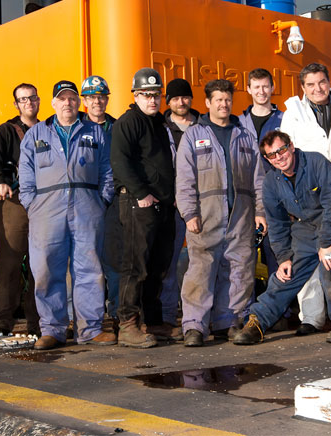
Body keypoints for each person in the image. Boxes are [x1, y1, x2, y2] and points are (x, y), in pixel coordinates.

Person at [233, 130, 331, 345]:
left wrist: (327, 243)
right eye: (272, 155)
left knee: (330, 268)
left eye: (282, 150)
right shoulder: (272, 182)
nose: (279, 157)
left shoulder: (316, 162)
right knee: (286, 274)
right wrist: (284, 258)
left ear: (291, 146)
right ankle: (258, 322)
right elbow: (278, 223)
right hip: (307, 226)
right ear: (267, 159)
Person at [19, 80, 114, 350]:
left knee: (89, 269)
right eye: (62, 99)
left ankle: (90, 329)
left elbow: (107, 169)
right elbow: (25, 174)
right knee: (47, 268)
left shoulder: (95, 132)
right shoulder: (36, 134)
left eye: (72, 98)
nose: (68, 103)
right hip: (46, 211)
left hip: (87, 208)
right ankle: (52, 329)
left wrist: (102, 199)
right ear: (53, 104)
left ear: (78, 102)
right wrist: (31, 204)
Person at [176, 79, 267, 347]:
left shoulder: (245, 136)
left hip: (240, 213)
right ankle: (194, 326)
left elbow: (258, 179)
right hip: (206, 214)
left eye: (227, 100)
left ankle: (231, 320)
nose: (224, 104)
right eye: (218, 100)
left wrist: (260, 211)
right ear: (207, 103)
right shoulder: (193, 135)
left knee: (239, 267)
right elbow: (184, 179)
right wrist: (189, 213)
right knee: (201, 269)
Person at [280, 62, 331, 337]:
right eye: (311, 84)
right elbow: (285, 156)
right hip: (308, 196)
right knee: (308, 254)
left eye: (322, 82)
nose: (318, 89)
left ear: (329, 81)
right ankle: (312, 316)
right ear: (303, 88)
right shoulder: (292, 114)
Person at [110, 67, 176, 348]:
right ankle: (127, 325)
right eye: (146, 95)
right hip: (139, 203)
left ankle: (153, 321)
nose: (152, 100)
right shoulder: (128, 122)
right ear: (135, 95)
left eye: (156, 95)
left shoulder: (159, 123)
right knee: (135, 267)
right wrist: (141, 193)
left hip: (162, 205)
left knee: (158, 266)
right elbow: (120, 161)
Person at [0, 82, 41, 337]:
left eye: (32, 98)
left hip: (43, 204)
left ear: (39, 100)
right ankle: (2, 320)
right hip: (14, 203)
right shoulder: (6, 131)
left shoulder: (48, 130)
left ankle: (38, 322)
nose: (28, 103)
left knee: (40, 265)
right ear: (16, 104)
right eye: (23, 99)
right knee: (9, 261)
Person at [80, 75, 121, 343]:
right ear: (84, 101)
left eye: (102, 96)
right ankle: (85, 321)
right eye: (92, 97)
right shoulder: (76, 128)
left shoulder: (118, 128)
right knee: (85, 263)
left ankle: (118, 315)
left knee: (116, 263)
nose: (98, 101)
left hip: (116, 203)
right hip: (83, 205)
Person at [162, 78, 199, 339]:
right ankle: (166, 316)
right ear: (169, 102)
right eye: (175, 98)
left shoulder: (203, 126)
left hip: (202, 204)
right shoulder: (160, 127)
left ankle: (198, 315)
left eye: (185, 97)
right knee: (169, 262)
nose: (181, 102)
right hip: (171, 206)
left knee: (202, 261)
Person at [239, 68, 284, 280]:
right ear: (248, 89)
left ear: (273, 87)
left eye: (266, 86)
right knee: (243, 254)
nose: (261, 91)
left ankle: (279, 308)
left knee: (276, 251)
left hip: (276, 195)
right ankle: (247, 308)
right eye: (256, 87)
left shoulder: (284, 120)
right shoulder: (238, 123)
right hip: (245, 198)